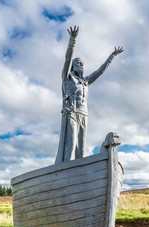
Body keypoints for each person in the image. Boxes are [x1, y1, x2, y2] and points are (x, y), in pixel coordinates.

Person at [55, 26, 124, 163]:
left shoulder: (85, 81)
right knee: (71, 142)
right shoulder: (67, 77)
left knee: (81, 145)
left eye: (82, 64)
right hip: (71, 112)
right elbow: (67, 59)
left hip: (84, 113)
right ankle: (67, 167)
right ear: (73, 66)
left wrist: (112, 56)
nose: (81, 65)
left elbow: (100, 71)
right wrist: (72, 41)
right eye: (78, 63)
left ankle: (79, 168)